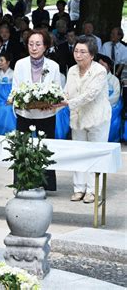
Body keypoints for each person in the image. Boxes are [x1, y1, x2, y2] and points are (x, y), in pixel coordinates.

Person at [54, 36, 111, 203]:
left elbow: (90, 95)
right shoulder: (72, 70)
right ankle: (79, 188)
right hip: (78, 117)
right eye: (76, 51)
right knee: (78, 153)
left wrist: (67, 103)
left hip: (97, 118)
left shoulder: (99, 71)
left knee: (94, 155)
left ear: (92, 55)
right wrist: (54, 103)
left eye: (83, 52)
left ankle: (93, 191)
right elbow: (67, 92)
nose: (78, 55)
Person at [11, 29, 62, 191]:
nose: (34, 48)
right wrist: (19, 100)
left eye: (38, 44)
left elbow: (58, 91)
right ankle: (21, 182)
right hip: (24, 113)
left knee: (45, 148)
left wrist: (50, 103)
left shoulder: (53, 66)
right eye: (31, 44)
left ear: (45, 46)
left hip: (45, 114)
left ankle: (45, 183)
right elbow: (15, 89)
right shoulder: (20, 64)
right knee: (22, 148)